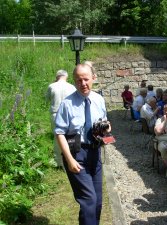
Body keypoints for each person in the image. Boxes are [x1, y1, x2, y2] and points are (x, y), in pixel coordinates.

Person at [54, 64, 110, 225]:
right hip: (76, 154)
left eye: (86, 79)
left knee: (97, 202)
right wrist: (69, 159)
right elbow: (59, 132)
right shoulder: (67, 104)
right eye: (79, 80)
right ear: (74, 81)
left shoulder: (99, 100)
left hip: (95, 153)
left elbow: (103, 123)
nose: (83, 83)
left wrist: (106, 129)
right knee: (88, 200)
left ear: (94, 78)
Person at [46, 69, 76, 167]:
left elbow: (47, 99)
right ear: (66, 77)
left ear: (57, 76)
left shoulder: (51, 86)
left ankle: (59, 162)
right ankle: (71, 159)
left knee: (57, 137)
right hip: (69, 115)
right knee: (70, 136)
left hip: (55, 114)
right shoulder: (72, 87)